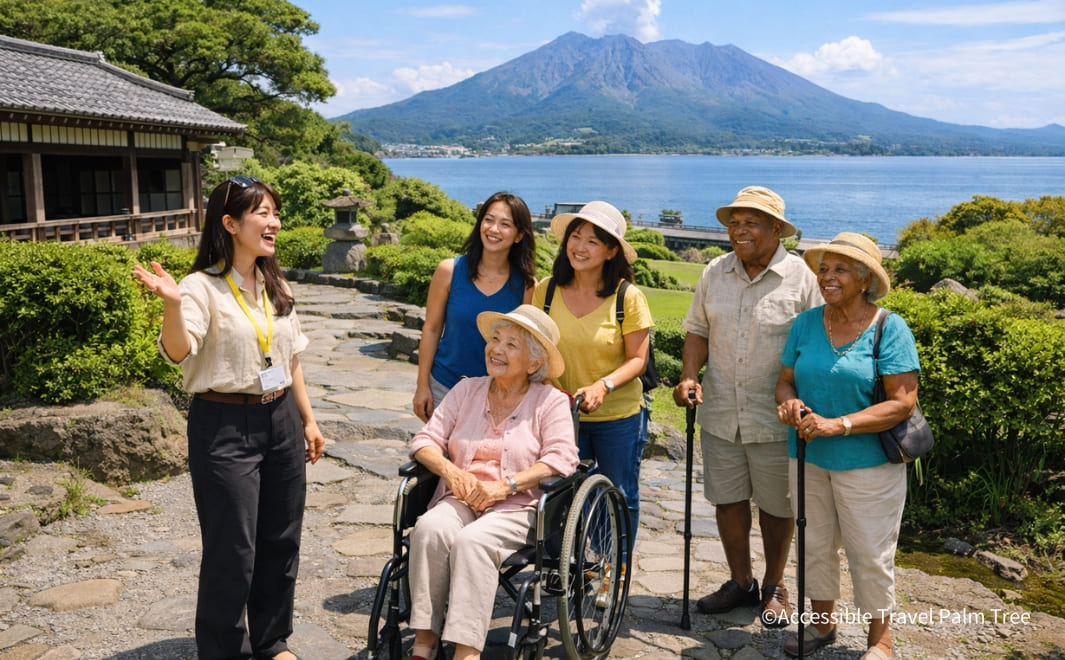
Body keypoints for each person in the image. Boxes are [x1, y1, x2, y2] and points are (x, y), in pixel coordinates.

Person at [133, 175, 324, 660]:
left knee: (281, 539)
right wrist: (172, 307)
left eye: (275, 213)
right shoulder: (201, 287)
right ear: (230, 223)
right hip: (223, 424)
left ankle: (272, 642)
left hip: (278, 417)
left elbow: (291, 358)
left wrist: (307, 419)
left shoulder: (273, 280)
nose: (274, 222)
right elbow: (178, 352)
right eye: (263, 213)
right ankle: (223, 651)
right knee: (232, 549)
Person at [672, 186, 821, 627]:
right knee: (727, 500)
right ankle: (741, 582)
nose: (739, 231)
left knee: (777, 507)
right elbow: (697, 331)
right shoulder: (715, 272)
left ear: (777, 230)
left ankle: (775, 585)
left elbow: (816, 344)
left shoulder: (801, 278)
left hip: (776, 417)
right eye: (734, 223)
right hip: (720, 409)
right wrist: (687, 375)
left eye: (751, 222)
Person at [775, 232, 920, 660]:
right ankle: (821, 627)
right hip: (806, 457)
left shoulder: (889, 328)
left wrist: (839, 424)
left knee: (869, 554)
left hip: (868, 463)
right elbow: (784, 380)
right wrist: (789, 403)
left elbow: (903, 402)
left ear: (864, 279)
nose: (827, 277)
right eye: (823, 269)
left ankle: (881, 642)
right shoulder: (805, 323)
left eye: (840, 269)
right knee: (814, 544)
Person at [406, 305, 579, 660]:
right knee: (429, 529)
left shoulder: (550, 402)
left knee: (472, 542)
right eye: (495, 339)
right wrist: (452, 472)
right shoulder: (467, 389)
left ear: (534, 362)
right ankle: (425, 641)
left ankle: (466, 652)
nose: (496, 349)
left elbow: (562, 459)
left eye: (511, 344)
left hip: (517, 507)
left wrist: (505, 486)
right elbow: (424, 441)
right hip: (460, 495)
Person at [531, 201, 652, 535]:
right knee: (558, 490)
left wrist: (603, 386)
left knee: (619, 494)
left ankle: (614, 568)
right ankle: (568, 568)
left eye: (592, 241)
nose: (579, 247)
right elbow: (534, 348)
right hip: (559, 414)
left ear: (611, 251)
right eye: (576, 237)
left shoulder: (627, 297)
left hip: (617, 416)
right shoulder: (546, 290)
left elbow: (638, 360)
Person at [412, 191, 536, 422]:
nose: (493, 229)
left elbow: (525, 345)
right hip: (445, 386)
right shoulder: (449, 271)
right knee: (437, 456)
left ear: (519, 235)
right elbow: (431, 329)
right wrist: (422, 386)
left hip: (498, 393)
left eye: (505, 224)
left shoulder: (527, 286)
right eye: (488, 220)